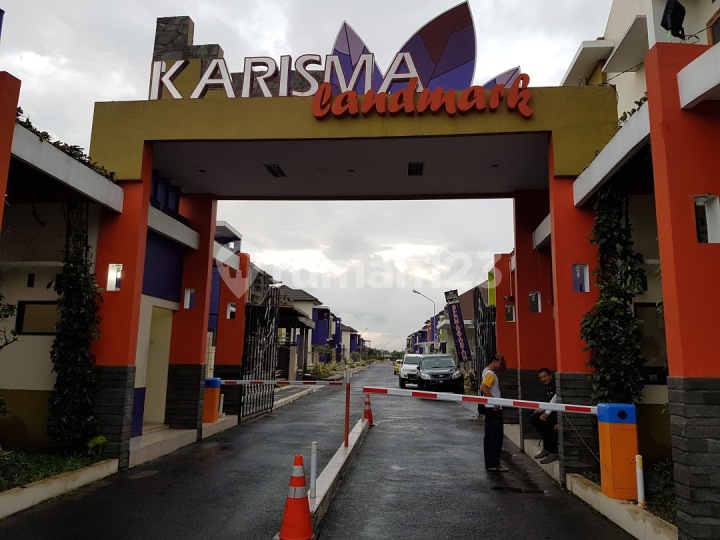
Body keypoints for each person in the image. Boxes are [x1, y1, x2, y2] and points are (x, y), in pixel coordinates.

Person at [480, 352, 507, 472]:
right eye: (500, 363)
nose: (501, 366)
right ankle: (494, 464)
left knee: (489, 436)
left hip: (489, 408)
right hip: (493, 410)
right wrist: (494, 402)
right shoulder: (490, 374)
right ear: (494, 361)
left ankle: (490, 463)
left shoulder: (486, 371)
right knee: (496, 437)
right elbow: (483, 387)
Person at [527, 367, 559, 464]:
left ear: (550, 375)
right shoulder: (548, 387)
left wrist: (546, 412)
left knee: (548, 422)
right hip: (550, 410)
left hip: (558, 413)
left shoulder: (556, 385)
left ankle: (554, 452)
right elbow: (548, 401)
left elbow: (555, 400)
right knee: (531, 416)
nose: (543, 379)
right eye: (541, 378)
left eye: (545, 376)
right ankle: (546, 448)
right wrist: (542, 409)